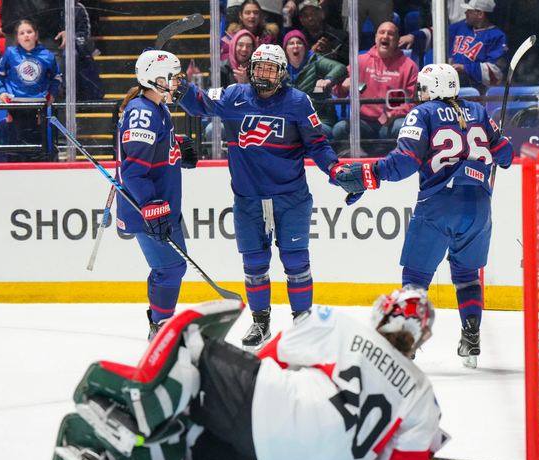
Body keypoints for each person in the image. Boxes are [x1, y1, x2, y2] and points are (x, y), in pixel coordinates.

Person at [52, 289, 449, 460]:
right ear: (420, 339)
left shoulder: (340, 326)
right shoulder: (421, 391)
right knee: (191, 438)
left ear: (384, 311)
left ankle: (133, 416)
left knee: (195, 348)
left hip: (268, 414)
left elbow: (271, 357)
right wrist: (420, 440)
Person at [332, 64, 514, 369]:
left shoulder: (423, 113)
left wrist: (370, 173)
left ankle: (407, 344)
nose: (420, 94)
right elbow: (505, 156)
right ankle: (471, 338)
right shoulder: (480, 113)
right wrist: (499, 139)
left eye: (423, 88)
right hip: (480, 207)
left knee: (415, 279)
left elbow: (404, 163)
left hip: (439, 203)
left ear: (433, 89)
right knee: (467, 277)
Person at [178, 44, 343, 352]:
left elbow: (318, 145)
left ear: (282, 73)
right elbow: (197, 102)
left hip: (291, 197)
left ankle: (303, 324)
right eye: (259, 67)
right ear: (250, 69)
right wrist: (177, 83)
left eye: (270, 68)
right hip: (248, 199)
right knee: (254, 264)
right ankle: (261, 322)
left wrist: (334, 169)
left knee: (296, 263)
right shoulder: (232, 96)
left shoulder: (298, 101)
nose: (263, 74)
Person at [115, 49, 198, 340]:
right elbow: (134, 171)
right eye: (172, 77)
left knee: (172, 267)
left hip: (162, 204)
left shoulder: (156, 106)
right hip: (148, 207)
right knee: (172, 268)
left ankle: (159, 321)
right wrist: (152, 205)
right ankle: (161, 329)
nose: (177, 83)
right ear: (155, 78)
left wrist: (177, 148)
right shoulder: (142, 112)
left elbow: (152, 153)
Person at [332, 22, 418, 146]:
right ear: (376, 37)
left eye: (391, 34)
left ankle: (391, 159)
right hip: (363, 122)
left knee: (403, 128)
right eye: (382, 33)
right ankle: (361, 158)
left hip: (392, 122)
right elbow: (337, 90)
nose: (385, 36)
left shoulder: (409, 66)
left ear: (398, 40)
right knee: (340, 128)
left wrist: (393, 115)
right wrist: (343, 86)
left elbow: (414, 102)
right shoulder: (360, 61)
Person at [399, 0, 508, 93]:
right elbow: (439, 33)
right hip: (450, 81)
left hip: (474, 88)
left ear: (480, 14)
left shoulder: (497, 36)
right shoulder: (462, 26)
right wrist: (414, 36)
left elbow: (497, 72)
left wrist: (465, 68)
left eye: (469, 11)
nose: (465, 12)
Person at [0, 19, 62, 161]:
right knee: (16, 148)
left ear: (36, 35)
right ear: (17, 37)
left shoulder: (47, 56)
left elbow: (57, 77)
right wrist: (1, 91)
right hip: (15, 106)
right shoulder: (10, 53)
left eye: (29, 32)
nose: (26, 36)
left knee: (36, 148)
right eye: (22, 33)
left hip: (38, 106)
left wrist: (52, 94)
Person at [283, 29, 347, 138]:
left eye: (299, 43)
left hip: (320, 120)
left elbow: (340, 68)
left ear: (305, 47)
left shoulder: (315, 60)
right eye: (291, 43)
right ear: (285, 50)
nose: (295, 46)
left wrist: (328, 80)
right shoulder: (280, 68)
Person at [298, 0, 349, 66]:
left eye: (314, 14)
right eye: (305, 16)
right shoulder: (297, 40)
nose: (310, 18)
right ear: (301, 21)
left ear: (322, 14)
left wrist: (331, 53)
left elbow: (349, 62)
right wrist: (310, 54)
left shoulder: (341, 36)